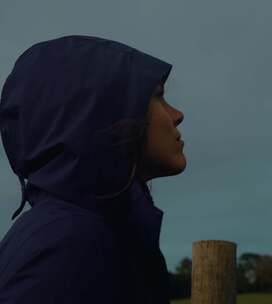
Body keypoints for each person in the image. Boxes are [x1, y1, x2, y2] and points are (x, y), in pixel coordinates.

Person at [0, 35, 186, 303]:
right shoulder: (68, 244)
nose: (177, 114)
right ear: (103, 111)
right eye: (158, 97)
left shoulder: (100, 229)